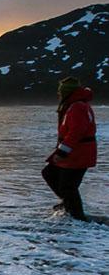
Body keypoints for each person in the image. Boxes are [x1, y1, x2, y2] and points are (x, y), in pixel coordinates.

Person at [42, 77, 97, 221]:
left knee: (68, 185)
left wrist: (62, 152)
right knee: (50, 173)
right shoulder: (74, 105)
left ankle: (78, 217)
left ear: (66, 92)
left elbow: (76, 132)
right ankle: (68, 203)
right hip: (75, 152)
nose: (58, 94)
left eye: (60, 91)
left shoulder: (77, 106)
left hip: (78, 153)